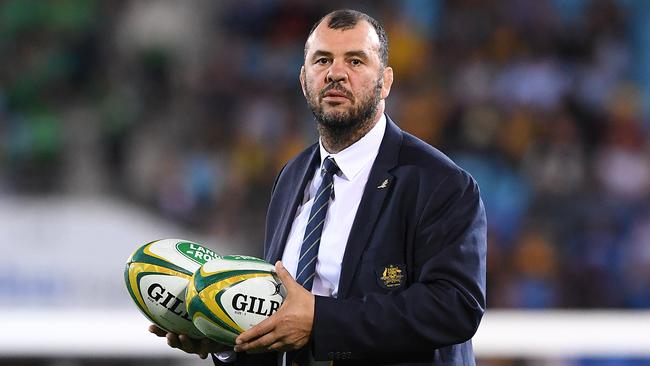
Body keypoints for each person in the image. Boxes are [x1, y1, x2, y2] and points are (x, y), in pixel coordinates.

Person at [150, 9, 487, 366]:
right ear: (303, 78)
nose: (336, 73)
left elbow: (455, 306)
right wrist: (222, 339)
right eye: (322, 60)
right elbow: (283, 320)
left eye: (355, 61)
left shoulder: (440, 182)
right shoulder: (291, 176)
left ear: (385, 81)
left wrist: (321, 321)